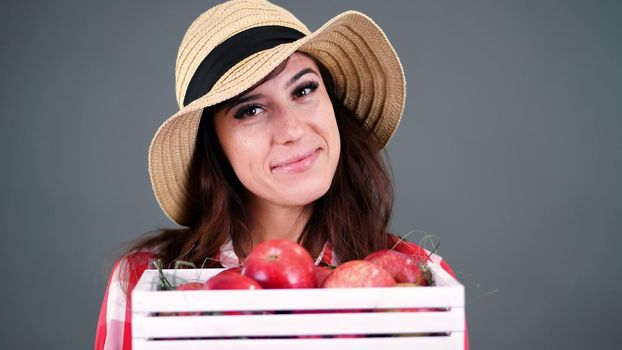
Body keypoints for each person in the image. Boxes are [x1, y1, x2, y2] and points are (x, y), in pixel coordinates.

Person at [95, 0, 468, 349]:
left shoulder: (418, 279)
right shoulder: (143, 283)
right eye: (250, 110)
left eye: (304, 89)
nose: (292, 130)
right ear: (214, 147)